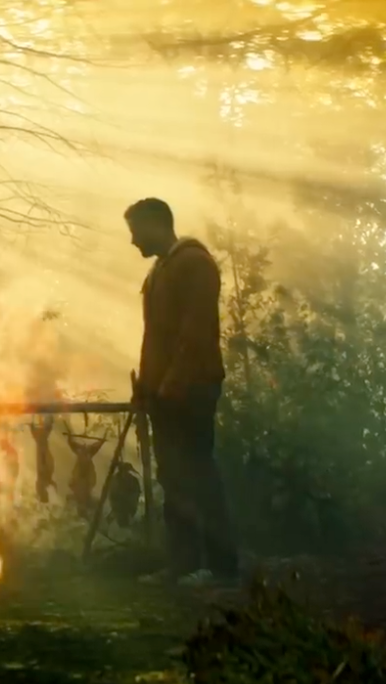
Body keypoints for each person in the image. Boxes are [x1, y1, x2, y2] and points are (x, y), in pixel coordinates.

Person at [124, 197, 238, 587]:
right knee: (173, 478)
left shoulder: (194, 264)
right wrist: (146, 388)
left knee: (198, 474)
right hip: (165, 394)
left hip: (192, 389)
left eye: (136, 231)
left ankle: (220, 567)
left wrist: (172, 385)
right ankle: (183, 563)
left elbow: (196, 332)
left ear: (157, 225)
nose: (133, 241)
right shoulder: (161, 271)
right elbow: (154, 338)